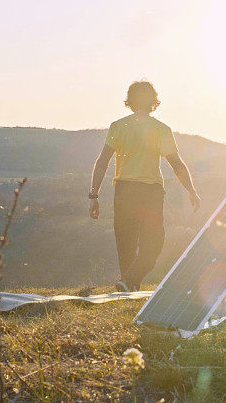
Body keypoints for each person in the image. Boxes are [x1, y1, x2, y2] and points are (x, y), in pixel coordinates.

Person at [89, 81, 200, 292]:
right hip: (150, 192)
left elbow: (102, 161)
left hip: (124, 190)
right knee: (153, 245)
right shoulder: (161, 129)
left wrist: (93, 196)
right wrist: (191, 191)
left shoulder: (119, 126)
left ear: (130, 101)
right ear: (153, 101)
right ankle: (129, 287)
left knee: (126, 244)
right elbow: (177, 164)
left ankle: (128, 286)